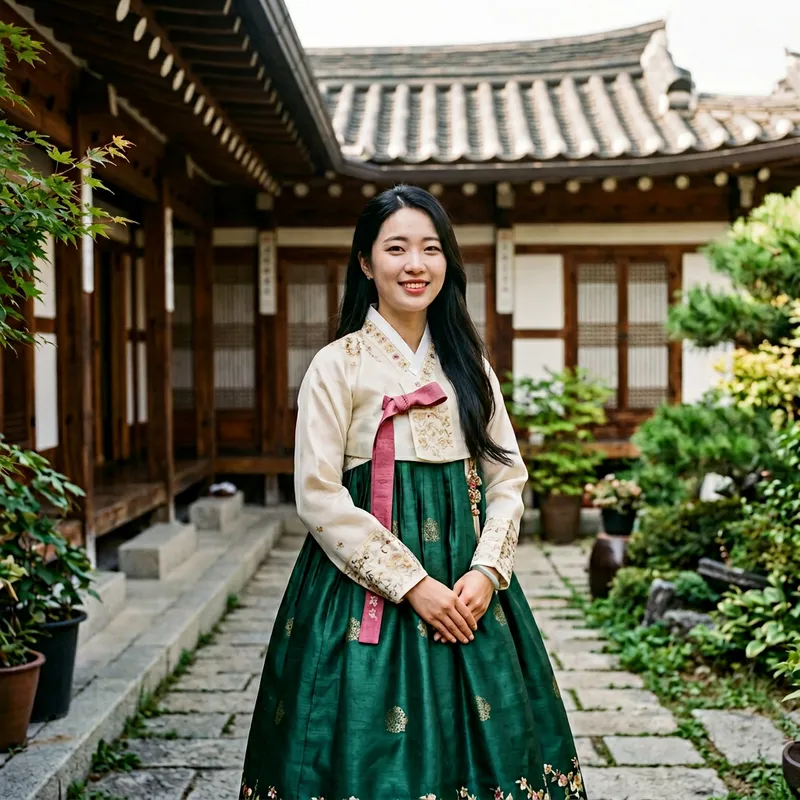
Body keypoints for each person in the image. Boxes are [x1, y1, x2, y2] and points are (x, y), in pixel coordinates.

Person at [239, 185, 585, 800]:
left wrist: (486, 573)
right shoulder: (336, 365)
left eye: (430, 248)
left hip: (467, 585)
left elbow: (507, 478)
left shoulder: (469, 366)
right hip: (359, 592)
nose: (415, 264)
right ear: (366, 264)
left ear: (447, 262)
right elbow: (318, 495)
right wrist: (413, 585)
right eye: (396, 248)